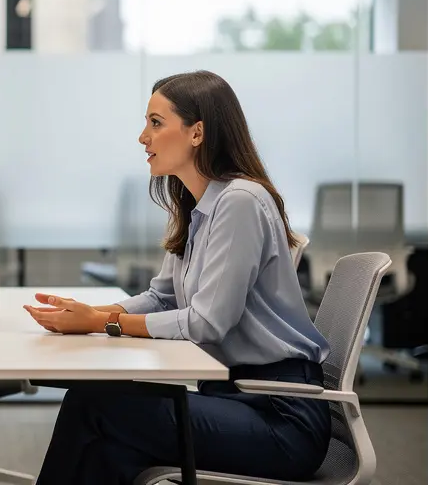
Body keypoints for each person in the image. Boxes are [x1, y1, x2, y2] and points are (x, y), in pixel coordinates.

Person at [24, 70, 331, 485]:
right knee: (107, 450)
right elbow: (161, 297)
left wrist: (102, 323)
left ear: (197, 132)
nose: (142, 137)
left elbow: (207, 323)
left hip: (280, 417)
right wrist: (89, 313)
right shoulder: (200, 205)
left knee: (93, 404)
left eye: (155, 123)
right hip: (236, 400)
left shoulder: (240, 201)